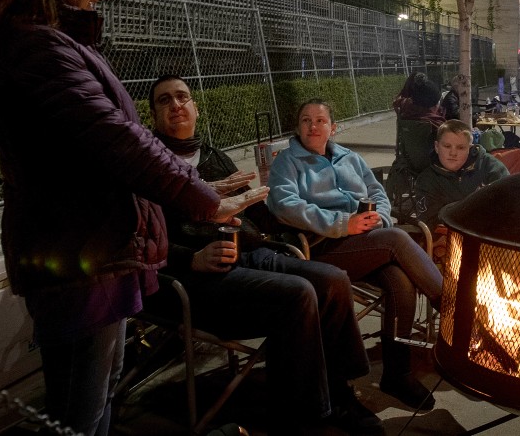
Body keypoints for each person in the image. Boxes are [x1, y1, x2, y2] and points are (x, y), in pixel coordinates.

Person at [0, 0, 254, 436]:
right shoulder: (40, 48)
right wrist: (204, 201)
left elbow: (122, 139)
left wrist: (196, 184)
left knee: (97, 395)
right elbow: (118, 140)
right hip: (83, 259)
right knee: (81, 411)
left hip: (94, 250)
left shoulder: (54, 43)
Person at [147, 75, 380, 434]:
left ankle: (339, 390)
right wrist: (189, 259)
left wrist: (280, 210)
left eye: (182, 97)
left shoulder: (213, 156)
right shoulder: (151, 167)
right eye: (165, 101)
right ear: (153, 116)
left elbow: (259, 213)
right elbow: (143, 236)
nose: (176, 105)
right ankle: (308, 415)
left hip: (254, 253)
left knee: (332, 280)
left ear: (194, 107)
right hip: (200, 276)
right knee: (298, 294)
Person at [267, 98, 444, 411]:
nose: (312, 126)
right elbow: (285, 206)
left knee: (399, 281)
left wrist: (381, 217)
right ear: (298, 127)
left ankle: (397, 374)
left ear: (333, 128)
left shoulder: (349, 158)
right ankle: (455, 311)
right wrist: (341, 224)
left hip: (365, 241)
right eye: (306, 120)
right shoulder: (287, 162)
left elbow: (377, 192)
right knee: (395, 240)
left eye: (320, 120)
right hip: (319, 247)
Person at [414, 120, 509, 227]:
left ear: (470, 148)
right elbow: (429, 222)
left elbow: (507, 206)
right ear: (437, 147)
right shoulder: (426, 180)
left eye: (460, 148)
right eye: (447, 146)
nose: (453, 153)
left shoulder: (490, 167)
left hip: (488, 234)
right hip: (450, 238)